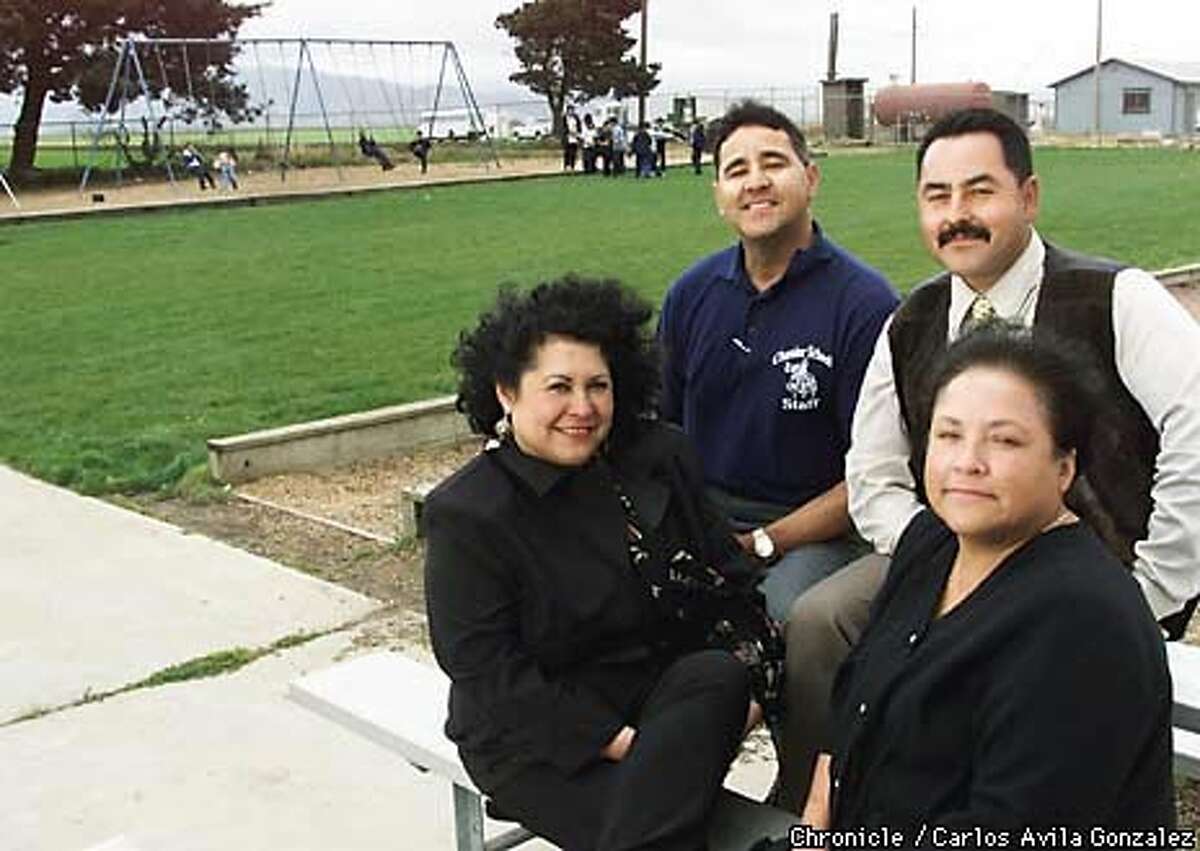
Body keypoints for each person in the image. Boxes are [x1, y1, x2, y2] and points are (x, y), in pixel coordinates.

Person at [782, 106, 1200, 812]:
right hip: (955, 554)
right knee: (823, 617)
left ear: (1027, 197)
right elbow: (874, 471)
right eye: (937, 197)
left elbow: (1197, 432)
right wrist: (935, 552)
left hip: (1101, 575)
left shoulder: (1116, 297)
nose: (957, 215)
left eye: (979, 191)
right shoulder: (910, 319)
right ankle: (816, 796)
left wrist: (1152, 584)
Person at [425, 277, 781, 851]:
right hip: (536, 739)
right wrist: (628, 746)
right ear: (507, 393)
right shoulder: (467, 514)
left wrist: (747, 700)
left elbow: (734, 584)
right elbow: (488, 674)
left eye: (598, 386)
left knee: (716, 674)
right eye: (559, 387)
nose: (583, 408)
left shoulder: (661, 457)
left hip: (672, 712)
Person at [803, 327, 1174, 834]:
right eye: (949, 434)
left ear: (1064, 468)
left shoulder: (1084, 621)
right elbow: (849, 721)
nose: (967, 462)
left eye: (1004, 440)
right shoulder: (932, 541)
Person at [659, 99, 898, 627]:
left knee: (781, 615)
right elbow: (663, 430)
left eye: (773, 163)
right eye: (736, 170)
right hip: (706, 514)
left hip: (818, 528)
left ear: (810, 178)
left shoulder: (864, 304)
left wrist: (764, 541)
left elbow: (874, 471)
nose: (755, 181)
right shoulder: (691, 294)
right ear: (719, 195)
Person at [563, 105, 582, 171]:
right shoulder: (565, 117)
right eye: (570, 110)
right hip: (568, 136)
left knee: (573, 152)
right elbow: (563, 127)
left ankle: (572, 166)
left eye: (572, 110)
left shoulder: (576, 117)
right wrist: (569, 132)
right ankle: (566, 165)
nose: (571, 112)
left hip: (575, 137)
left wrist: (578, 134)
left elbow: (579, 126)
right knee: (567, 152)